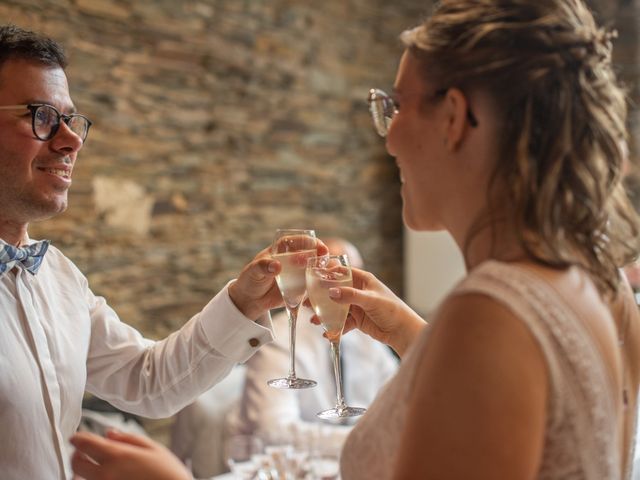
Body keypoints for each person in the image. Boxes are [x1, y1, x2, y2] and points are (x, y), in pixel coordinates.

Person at [70, 0, 640, 478]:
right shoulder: (605, 287)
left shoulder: (489, 313)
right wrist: (412, 333)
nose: (387, 137)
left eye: (391, 106)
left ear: (454, 117)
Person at [0, 24, 328, 480]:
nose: (71, 140)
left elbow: (147, 382)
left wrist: (245, 301)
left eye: (70, 119)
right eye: (40, 116)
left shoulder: (59, 277)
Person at [169, 238, 398, 477]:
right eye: (329, 272)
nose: (340, 283)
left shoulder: (366, 337)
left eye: (349, 274)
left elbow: (396, 398)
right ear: (311, 276)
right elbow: (273, 432)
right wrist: (360, 440)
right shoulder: (280, 340)